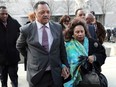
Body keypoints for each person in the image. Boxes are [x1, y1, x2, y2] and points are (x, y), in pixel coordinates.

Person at [16, 1, 70, 87]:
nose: (46, 14)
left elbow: (62, 48)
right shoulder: (26, 30)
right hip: (37, 74)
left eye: (48, 12)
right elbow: (19, 46)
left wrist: (66, 65)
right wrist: (32, 57)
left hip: (55, 74)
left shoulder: (57, 27)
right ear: (35, 14)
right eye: (42, 12)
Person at [63, 20, 107, 87]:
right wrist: (64, 67)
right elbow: (62, 59)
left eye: (82, 31)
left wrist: (94, 57)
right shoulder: (68, 46)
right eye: (77, 32)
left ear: (85, 32)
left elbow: (102, 54)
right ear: (72, 33)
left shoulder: (93, 43)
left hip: (90, 79)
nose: (80, 34)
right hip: (72, 78)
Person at [0, 6, 21, 87]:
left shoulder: (14, 23)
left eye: (6, 14)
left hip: (13, 58)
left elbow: (22, 34)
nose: (4, 15)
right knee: (3, 80)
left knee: (14, 79)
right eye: (2, 14)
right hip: (1, 59)